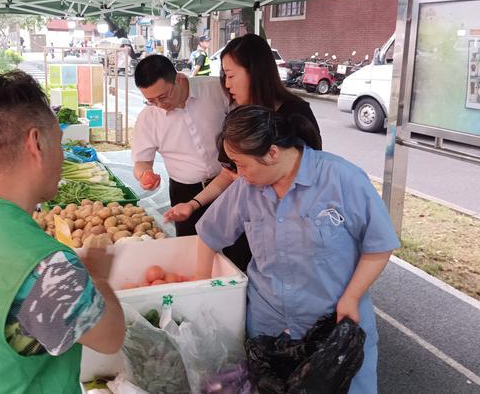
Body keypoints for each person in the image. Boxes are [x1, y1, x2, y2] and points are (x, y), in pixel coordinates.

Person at [0, 71, 125, 394]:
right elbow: (111, 337)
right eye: (59, 141)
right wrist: (97, 276)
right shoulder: (40, 266)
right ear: (37, 143)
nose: (61, 152)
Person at [195, 105, 400, 394]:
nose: (238, 174)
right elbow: (209, 235)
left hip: (334, 328)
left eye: (241, 164)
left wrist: (352, 297)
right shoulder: (247, 189)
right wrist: (201, 295)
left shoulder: (342, 179)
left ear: (273, 153)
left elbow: (379, 246)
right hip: (269, 331)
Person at [165, 33, 322, 269]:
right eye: (224, 76)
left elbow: (310, 176)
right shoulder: (239, 114)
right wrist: (193, 204)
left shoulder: (296, 116)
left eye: (230, 75)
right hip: (245, 230)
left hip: (284, 233)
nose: (226, 85)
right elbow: (229, 173)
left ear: (255, 72)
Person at [131, 54, 229, 237]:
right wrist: (145, 175)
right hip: (185, 192)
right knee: (190, 245)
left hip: (229, 182)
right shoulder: (148, 117)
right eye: (151, 101)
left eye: (163, 96)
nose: (159, 105)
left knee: (236, 245)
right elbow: (141, 162)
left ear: (178, 78)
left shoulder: (215, 89)